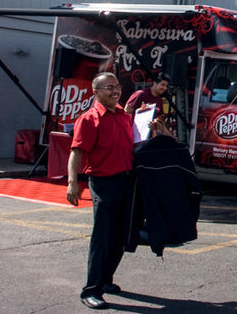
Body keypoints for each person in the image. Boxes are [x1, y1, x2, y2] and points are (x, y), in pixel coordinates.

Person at [66, 72, 159, 310]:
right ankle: (91, 290)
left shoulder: (124, 116)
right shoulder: (89, 120)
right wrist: (72, 182)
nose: (115, 91)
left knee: (121, 234)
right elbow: (76, 152)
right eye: (109, 87)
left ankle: (106, 279)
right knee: (103, 236)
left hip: (127, 180)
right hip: (103, 182)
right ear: (96, 92)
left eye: (117, 86)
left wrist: (148, 124)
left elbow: (136, 143)